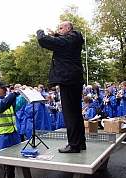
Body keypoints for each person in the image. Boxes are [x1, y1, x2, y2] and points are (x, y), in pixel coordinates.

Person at [37, 21, 85, 153]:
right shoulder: (74, 40)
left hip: (67, 80)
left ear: (69, 29)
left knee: (69, 114)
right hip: (75, 79)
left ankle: (73, 145)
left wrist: (40, 31)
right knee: (76, 113)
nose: (59, 29)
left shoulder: (66, 42)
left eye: (61, 28)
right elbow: (64, 41)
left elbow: (43, 41)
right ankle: (80, 142)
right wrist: (57, 34)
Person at [0, 81, 26, 178]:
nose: (6, 90)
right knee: (3, 164)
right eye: (3, 89)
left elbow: (17, 104)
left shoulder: (6, 100)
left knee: (11, 162)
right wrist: (14, 93)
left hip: (12, 134)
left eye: (6, 89)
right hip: (1, 136)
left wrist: (24, 93)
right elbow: (3, 105)